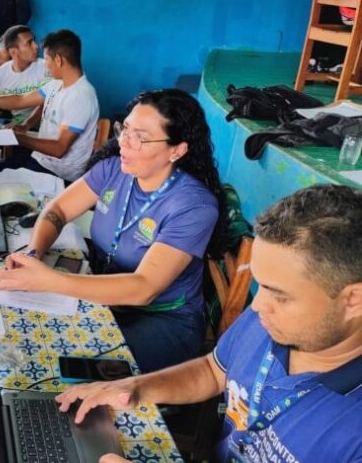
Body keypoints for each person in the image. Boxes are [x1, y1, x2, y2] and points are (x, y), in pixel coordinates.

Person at [56, 185, 362, 462]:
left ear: (354, 300)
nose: (256, 306)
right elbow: (214, 371)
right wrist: (134, 387)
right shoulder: (272, 322)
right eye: (260, 285)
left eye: (279, 296)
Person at [0, 89, 226, 373]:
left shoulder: (193, 206)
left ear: (177, 150)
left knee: (62, 365)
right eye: (125, 130)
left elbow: (144, 288)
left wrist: (49, 281)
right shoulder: (114, 170)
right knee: (27, 335)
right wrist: (34, 253)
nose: (125, 143)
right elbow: (57, 211)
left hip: (162, 320)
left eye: (141, 137)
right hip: (106, 301)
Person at [0, 29, 99, 182]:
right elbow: (20, 100)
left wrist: (17, 138)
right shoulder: (57, 83)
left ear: (59, 60)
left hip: (58, 173)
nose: (45, 65)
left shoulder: (81, 96)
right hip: (41, 161)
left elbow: (58, 149)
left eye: (47, 59)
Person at [0, 25, 50, 124]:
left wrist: (25, 125)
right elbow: (8, 104)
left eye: (34, 41)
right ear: (14, 52)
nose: (36, 46)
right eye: (29, 43)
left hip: (42, 125)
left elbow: (46, 104)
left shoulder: (46, 68)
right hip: (16, 123)